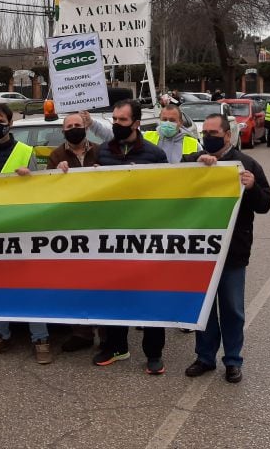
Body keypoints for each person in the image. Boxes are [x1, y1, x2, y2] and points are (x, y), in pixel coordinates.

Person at [184, 113, 270, 384]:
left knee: (232, 309)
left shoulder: (246, 164)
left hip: (233, 251)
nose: (207, 137)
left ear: (226, 135)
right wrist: (195, 163)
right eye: (205, 133)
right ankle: (205, 357)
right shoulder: (193, 163)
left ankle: (233, 360)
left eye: (213, 133)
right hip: (201, 251)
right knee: (205, 308)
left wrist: (253, 186)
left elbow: (265, 204)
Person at [94, 99, 169, 374]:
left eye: (122, 120)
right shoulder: (102, 152)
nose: (116, 124)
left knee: (150, 296)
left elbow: (165, 194)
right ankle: (116, 346)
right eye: (114, 119)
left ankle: (154, 354)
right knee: (113, 294)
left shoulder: (155, 154)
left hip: (145, 238)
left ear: (136, 123)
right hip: (111, 238)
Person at [0, 103, 50, 363]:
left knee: (31, 284)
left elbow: (43, 189)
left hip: (22, 228)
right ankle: (0, 334)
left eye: (1, 119)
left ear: (10, 123)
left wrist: (31, 177)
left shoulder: (26, 151)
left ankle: (40, 338)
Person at [48, 111, 102, 353]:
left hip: (101, 226)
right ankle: (81, 332)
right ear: (63, 131)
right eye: (69, 126)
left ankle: (107, 332)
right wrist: (55, 175)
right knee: (76, 281)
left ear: (85, 127)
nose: (73, 128)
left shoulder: (101, 151)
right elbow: (47, 191)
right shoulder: (56, 155)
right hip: (71, 229)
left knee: (103, 282)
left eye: (77, 124)